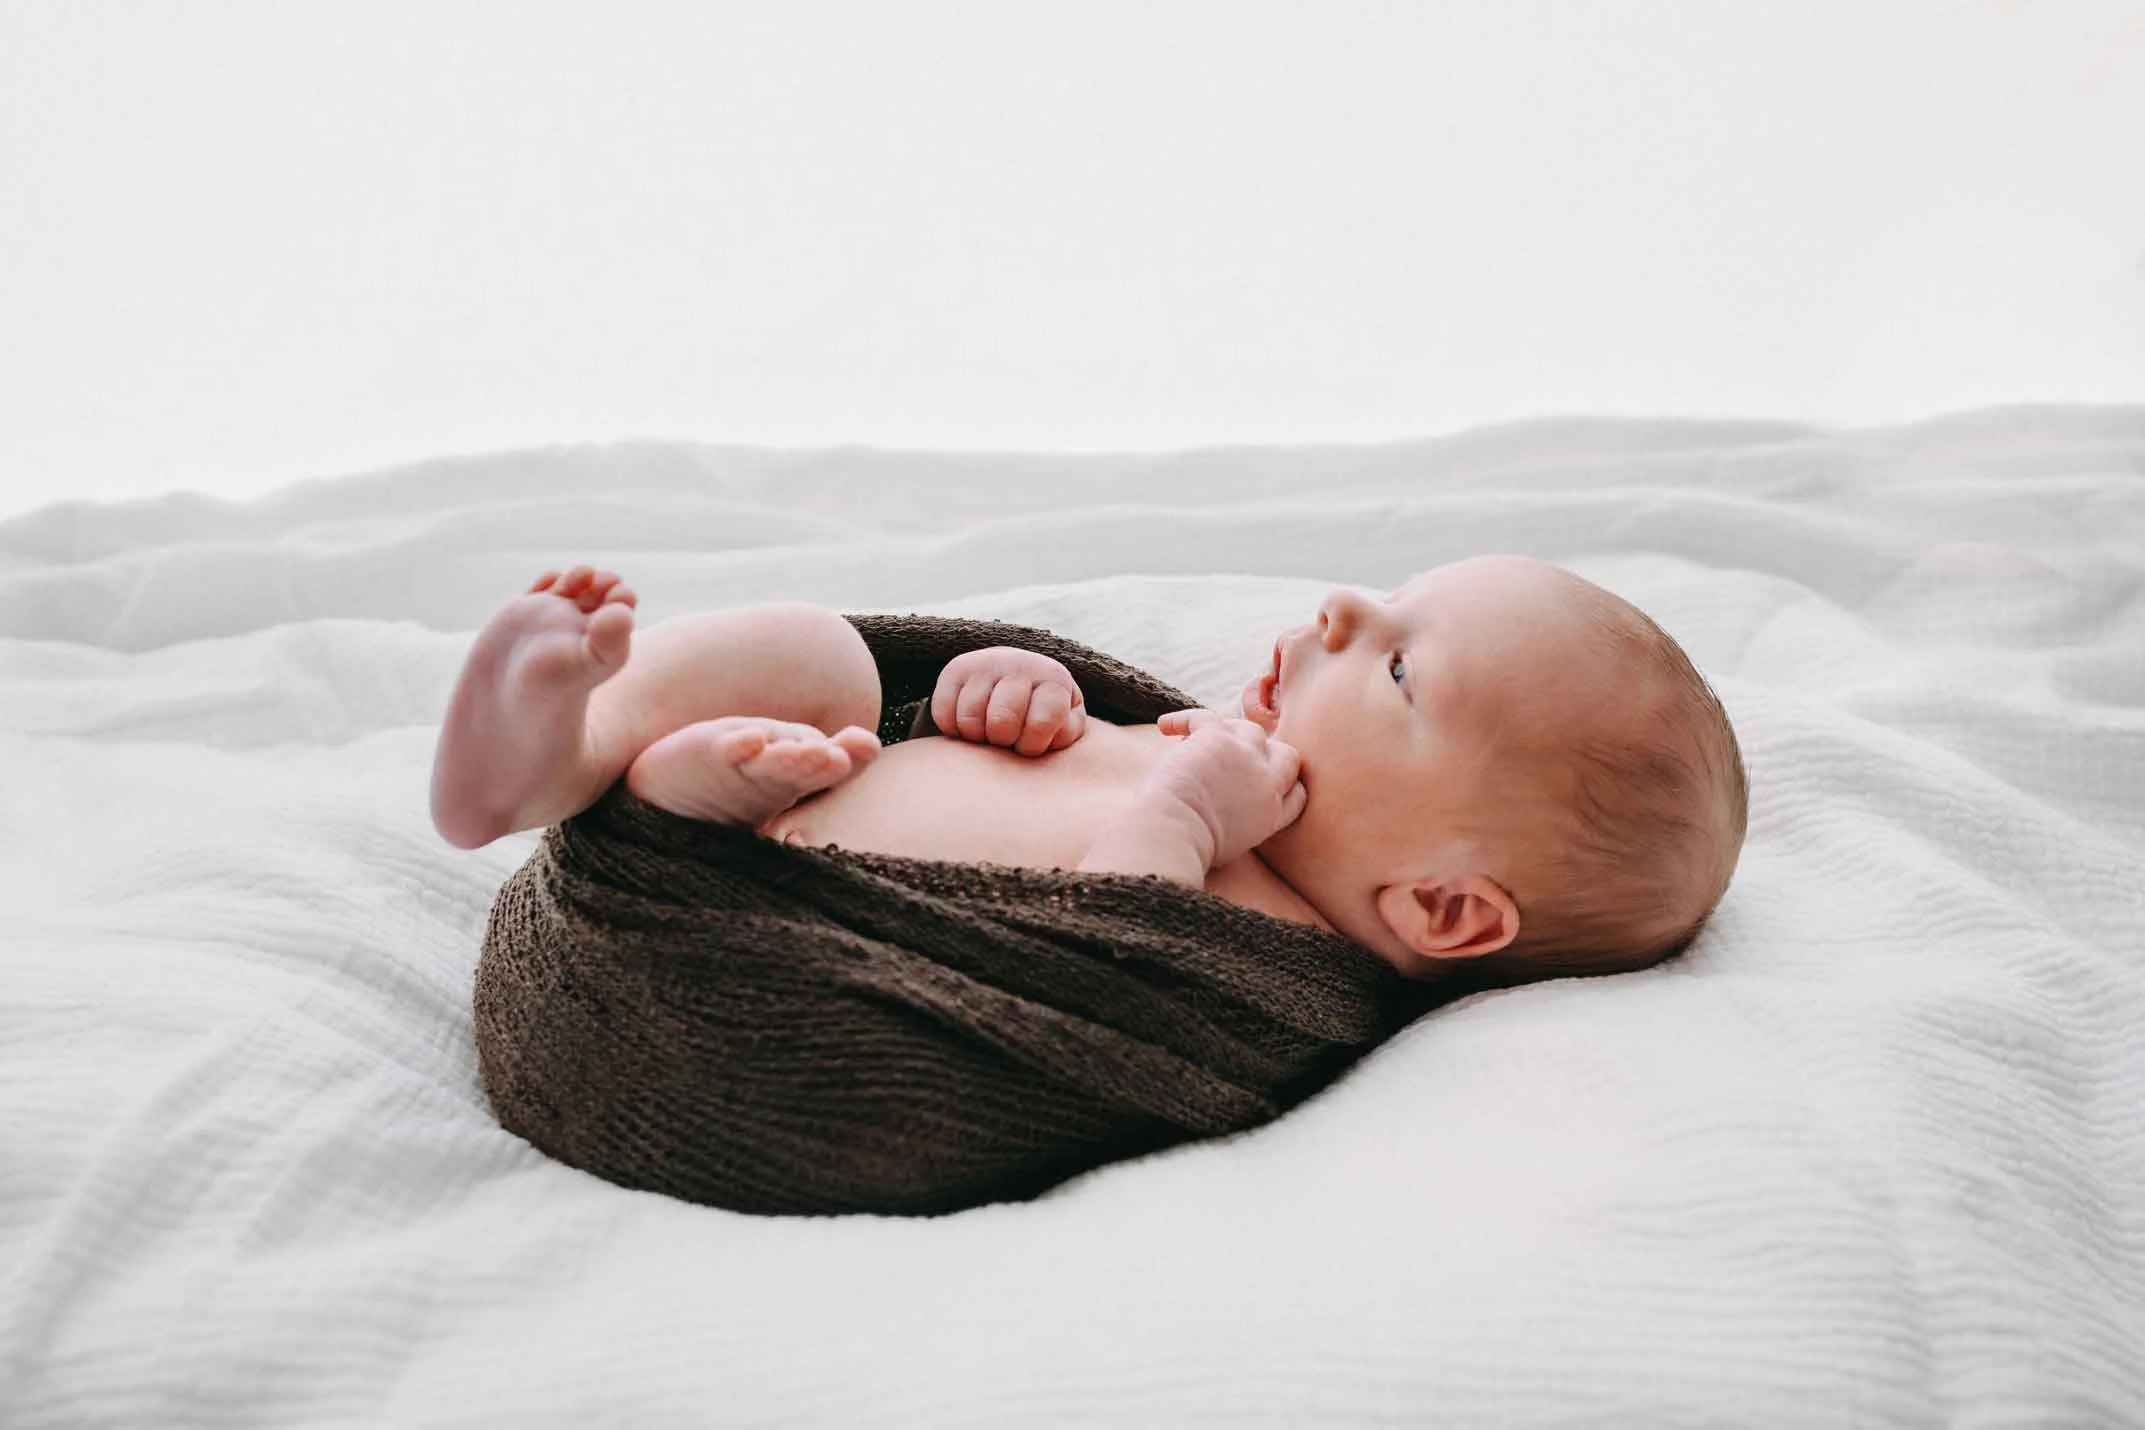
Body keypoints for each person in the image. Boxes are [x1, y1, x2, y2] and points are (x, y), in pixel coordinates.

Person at [431, 555, 1747, 983]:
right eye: (1385, 601)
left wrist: (1176, 813)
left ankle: (664, 800)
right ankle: (559, 755)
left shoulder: (1265, 935)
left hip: (770, 925)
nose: (1339, 610)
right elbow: (984, 755)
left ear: (1446, 908)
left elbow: (1103, 947)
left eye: (1400, 670)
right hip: (807, 787)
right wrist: (1017, 697)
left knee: (791, 720)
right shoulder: (1215, 764)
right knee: (823, 657)